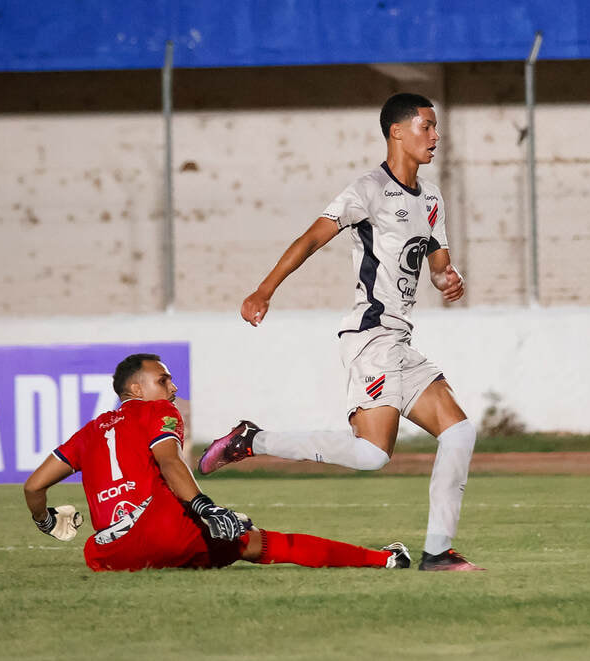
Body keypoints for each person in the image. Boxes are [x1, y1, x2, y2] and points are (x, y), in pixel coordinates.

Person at [199, 92, 482, 572]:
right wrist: (263, 290)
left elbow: (438, 264)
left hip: (399, 341)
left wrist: (447, 279)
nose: (436, 136)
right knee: (372, 456)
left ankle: (438, 552)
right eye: (426, 127)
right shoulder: (367, 190)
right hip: (371, 338)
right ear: (397, 131)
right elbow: (311, 238)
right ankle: (253, 441)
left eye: (435, 128)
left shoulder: (431, 198)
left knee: (458, 433)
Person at [23, 353, 411, 572]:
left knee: (132, 546)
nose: (172, 388)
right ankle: (386, 559)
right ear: (137, 389)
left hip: (108, 553)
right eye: (163, 380)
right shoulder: (155, 410)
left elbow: (33, 486)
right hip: (161, 532)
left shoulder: (89, 431)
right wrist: (204, 507)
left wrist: (45, 520)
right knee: (263, 543)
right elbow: (170, 461)